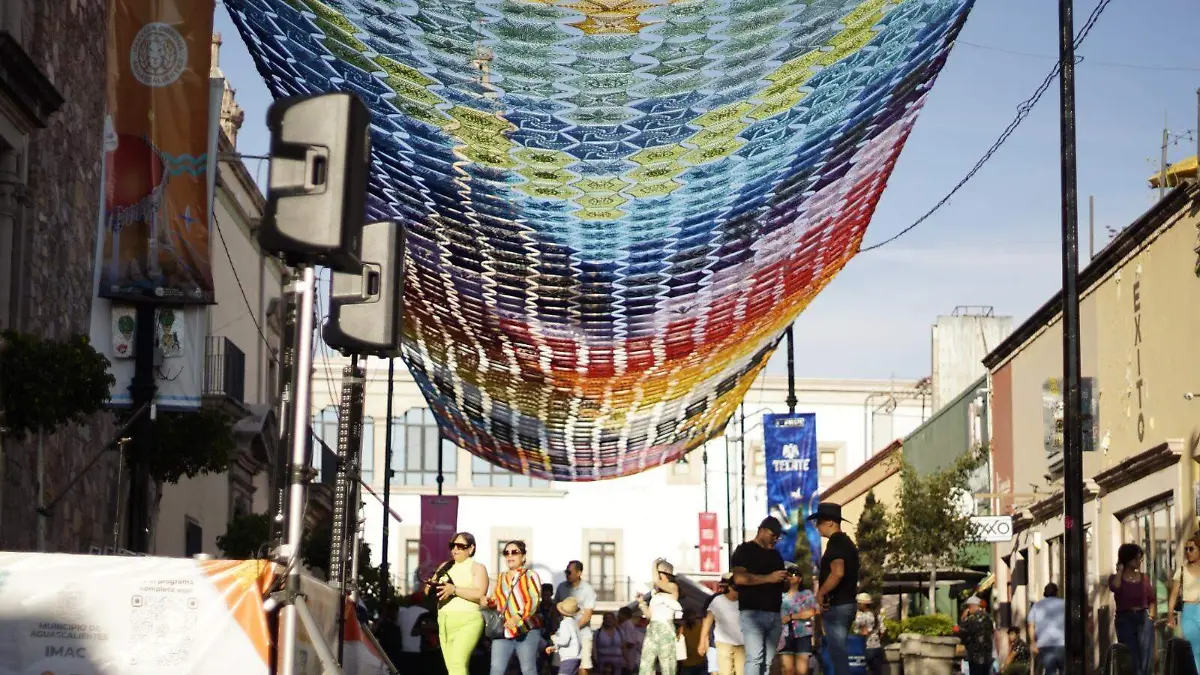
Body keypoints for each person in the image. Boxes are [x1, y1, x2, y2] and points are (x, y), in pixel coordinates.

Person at [426, 531, 491, 675]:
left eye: (460, 546)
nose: (455, 549)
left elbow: (480, 594)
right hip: (444, 620)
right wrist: (432, 586)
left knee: (457, 663)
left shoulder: (477, 567)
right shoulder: (445, 566)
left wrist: (454, 589)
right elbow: (427, 591)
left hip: (468, 621)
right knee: (452, 667)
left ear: (471, 548)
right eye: (452, 545)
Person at [730, 517, 788, 675]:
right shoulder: (744, 550)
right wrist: (770, 578)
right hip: (752, 613)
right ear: (762, 530)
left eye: (778, 537)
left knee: (768, 662)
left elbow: (782, 585)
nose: (775, 539)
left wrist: (786, 580)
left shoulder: (776, 555)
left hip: (774, 614)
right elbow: (739, 578)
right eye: (773, 535)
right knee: (755, 657)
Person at [808, 502, 859, 675]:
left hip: (838, 607)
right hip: (847, 603)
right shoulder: (847, 543)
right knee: (839, 654)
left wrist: (821, 593)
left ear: (830, 522)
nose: (817, 526)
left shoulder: (836, 543)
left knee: (838, 656)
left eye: (819, 522)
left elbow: (838, 572)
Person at [488, 540, 543, 675]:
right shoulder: (501, 577)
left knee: (528, 670)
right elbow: (498, 601)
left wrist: (518, 616)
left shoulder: (531, 575)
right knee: (496, 670)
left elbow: (534, 600)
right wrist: (488, 602)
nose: (510, 556)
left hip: (526, 629)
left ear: (523, 557)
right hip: (504, 630)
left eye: (514, 552)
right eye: (506, 553)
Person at [1109, 543, 1156, 675]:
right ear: (1127, 558)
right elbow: (1115, 588)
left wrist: (1151, 618)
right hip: (1125, 619)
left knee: (1146, 655)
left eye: (1140, 558)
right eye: (1137, 558)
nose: (1139, 561)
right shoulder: (1115, 578)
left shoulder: (1143, 578)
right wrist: (1119, 571)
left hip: (1143, 617)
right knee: (1132, 655)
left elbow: (1152, 599)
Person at [638, 558, 682, 675]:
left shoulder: (673, 587)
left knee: (667, 664)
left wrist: (654, 565)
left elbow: (656, 581)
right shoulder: (655, 594)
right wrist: (641, 603)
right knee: (646, 663)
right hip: (652, 628)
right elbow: (649, 615)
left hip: (665, 628)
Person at [556, 561, 599, 675]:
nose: (567, 574)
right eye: (566, 572)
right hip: (564, 634)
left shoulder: (588, 589)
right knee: (559, 666)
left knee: (584, 667)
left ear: (579, 573)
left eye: (569, 572)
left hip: (583, 634)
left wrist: (573, 629)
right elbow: (555, 608)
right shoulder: (561, 587)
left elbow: (587, 616)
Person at [699, 574, 745, 675]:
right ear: (730, 587)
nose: (738, 593)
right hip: (723, 643)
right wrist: (702, 641)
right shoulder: (717, 601)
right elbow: (707, 621)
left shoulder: (745, 601)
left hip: (742, 644)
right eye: (736, 589)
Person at [1168, 533, 1200, 675]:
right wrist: (1170, 615)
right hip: (1189, 611)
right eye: (1186, 549)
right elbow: (1174, 595)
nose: (1188, 552)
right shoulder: (1181, 571)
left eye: (1191, 549)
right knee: (1194, 649)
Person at [778, 563, 819, 675]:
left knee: (802, 671)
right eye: (788, 574)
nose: (791, 576)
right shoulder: (779, 595)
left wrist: (791, 617)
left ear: (800, 578)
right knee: (787, 670)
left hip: (803, 634)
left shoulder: (806, 594)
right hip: (784, 635)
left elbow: (812, 611)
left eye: (794, 574)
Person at [1026, 582, 1065, 675]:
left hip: (1044, 645)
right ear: (1057, 592)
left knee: (1050, 671)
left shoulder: (1037, 606)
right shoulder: (1064, 604)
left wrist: (1033, 642)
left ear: (1045, 593)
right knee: (1064, 670)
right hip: (1062, 644)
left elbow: (1031, 625)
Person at [957, 596, 994, 675]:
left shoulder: (971, 619)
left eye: (968, 607)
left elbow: (962, 632)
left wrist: (963, 619)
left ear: (972, 606)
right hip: (986, 655)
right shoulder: (988, 618)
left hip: (975, 655)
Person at [549, 597, 585, 675]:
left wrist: (554, 638)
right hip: (576, 656)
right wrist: (555, 648)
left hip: (568, 657)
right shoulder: (574, 623)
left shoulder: (564, 623)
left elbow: (564, 641)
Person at [852, 593, 882, 675]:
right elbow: (883, 630)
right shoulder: (877, 615)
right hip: (877, 647)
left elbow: (856, 631)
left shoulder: (861, 617)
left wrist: (862, 632)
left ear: (863, 604)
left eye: (858, 603)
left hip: (866, 647)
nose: (857, 605)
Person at [679, 608, 707, 675]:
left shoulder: (701, 628)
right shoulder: (681, 630)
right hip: (688, 665)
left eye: (691, 616)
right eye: (689, 616)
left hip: (700, 663)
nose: (690, 618)